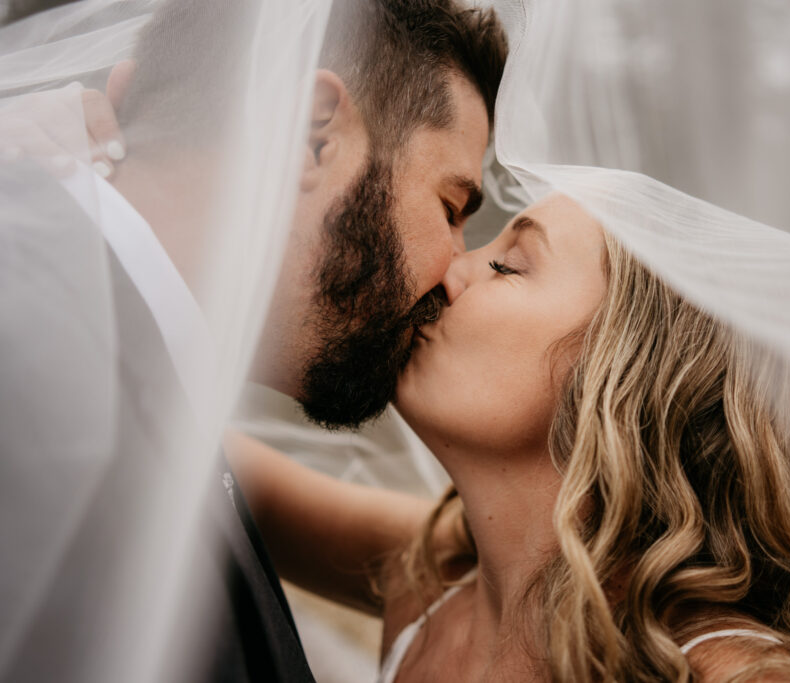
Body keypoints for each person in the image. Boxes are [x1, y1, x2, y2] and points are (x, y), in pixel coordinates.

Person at [0, 1, 505, 681]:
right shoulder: (33, 380)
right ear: (311, 135)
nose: (454, 270)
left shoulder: (135, 381)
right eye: (449, 208)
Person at [226, 193, 790, 682]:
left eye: (508, 263)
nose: (449, 270)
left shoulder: (731, 675)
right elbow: (202, 468)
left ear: (620, 378)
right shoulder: (430, 578)